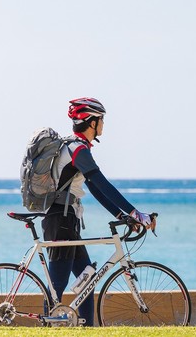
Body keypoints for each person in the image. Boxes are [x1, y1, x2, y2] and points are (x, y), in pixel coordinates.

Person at [41, 97, 155, 326]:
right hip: (60, 220)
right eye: (101, 119)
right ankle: (46, 327)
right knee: (57, 285)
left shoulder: (77, 148)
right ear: (91, 122)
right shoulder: (77, 149)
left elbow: (94, 187)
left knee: (87, 279)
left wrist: (121, 215)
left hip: (67, 219)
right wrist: (135, 213)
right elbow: (102, 183)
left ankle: (88, 329)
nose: (103, 124)